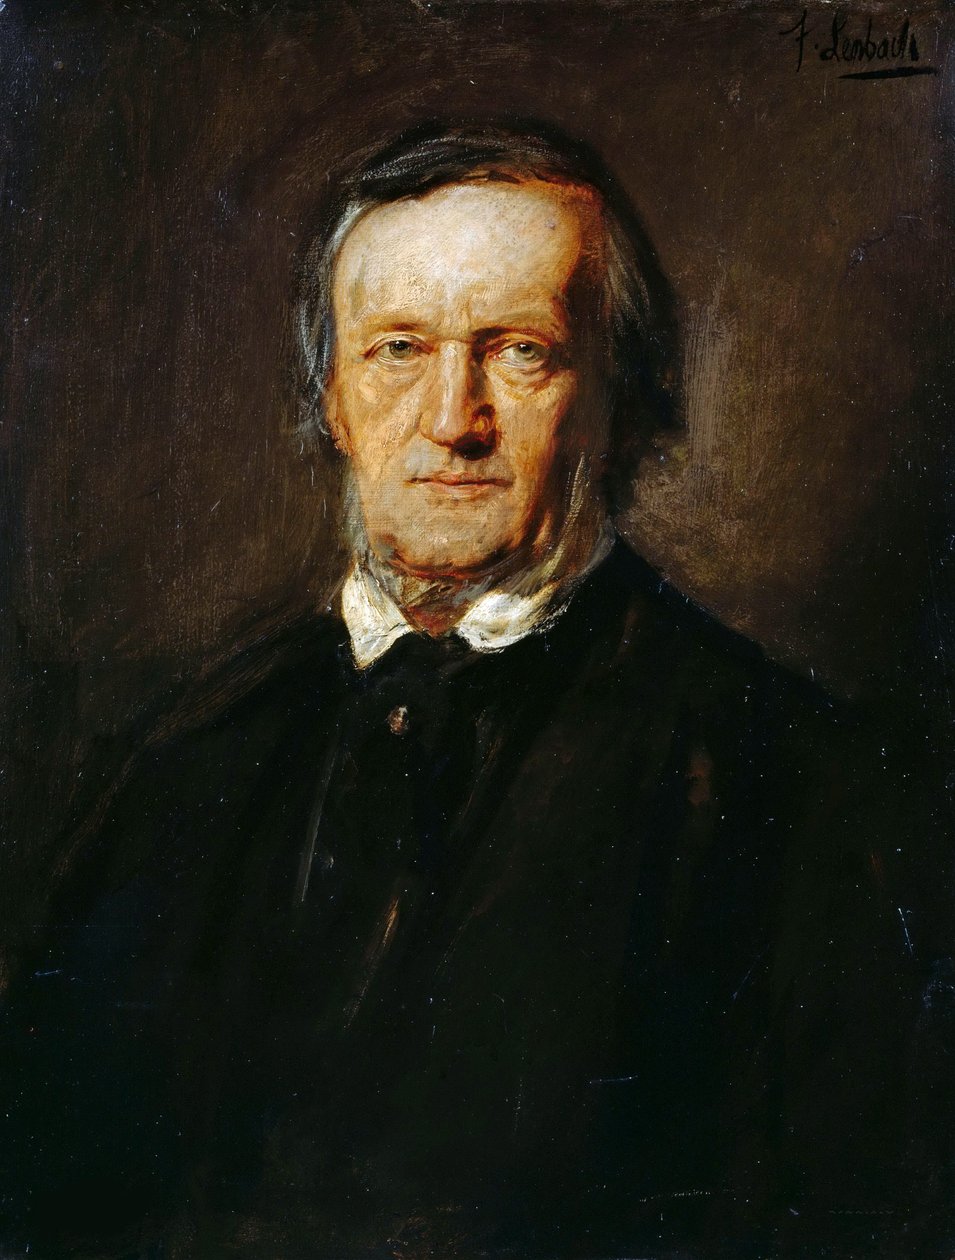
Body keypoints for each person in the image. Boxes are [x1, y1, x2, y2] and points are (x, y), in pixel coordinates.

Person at [0, 121, 943, 1259]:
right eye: (398, 348)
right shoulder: (182, 768)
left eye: (520, 351)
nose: (453, 420)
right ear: (334, 399)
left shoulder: (798, 789)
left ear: (620, 399)